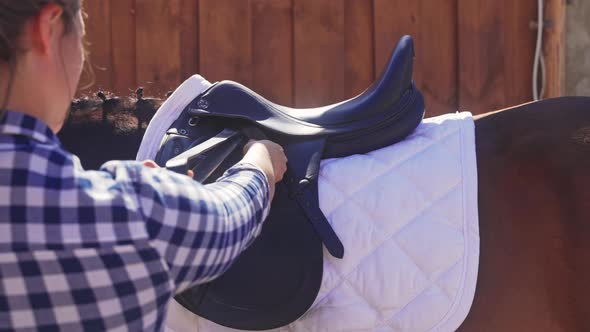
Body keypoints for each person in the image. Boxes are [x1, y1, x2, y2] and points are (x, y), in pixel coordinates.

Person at [0, 1, 287, 330]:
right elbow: (232, 215)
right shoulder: (134, 218)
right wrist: (260, 161)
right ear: (48, 28)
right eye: (80, 29)